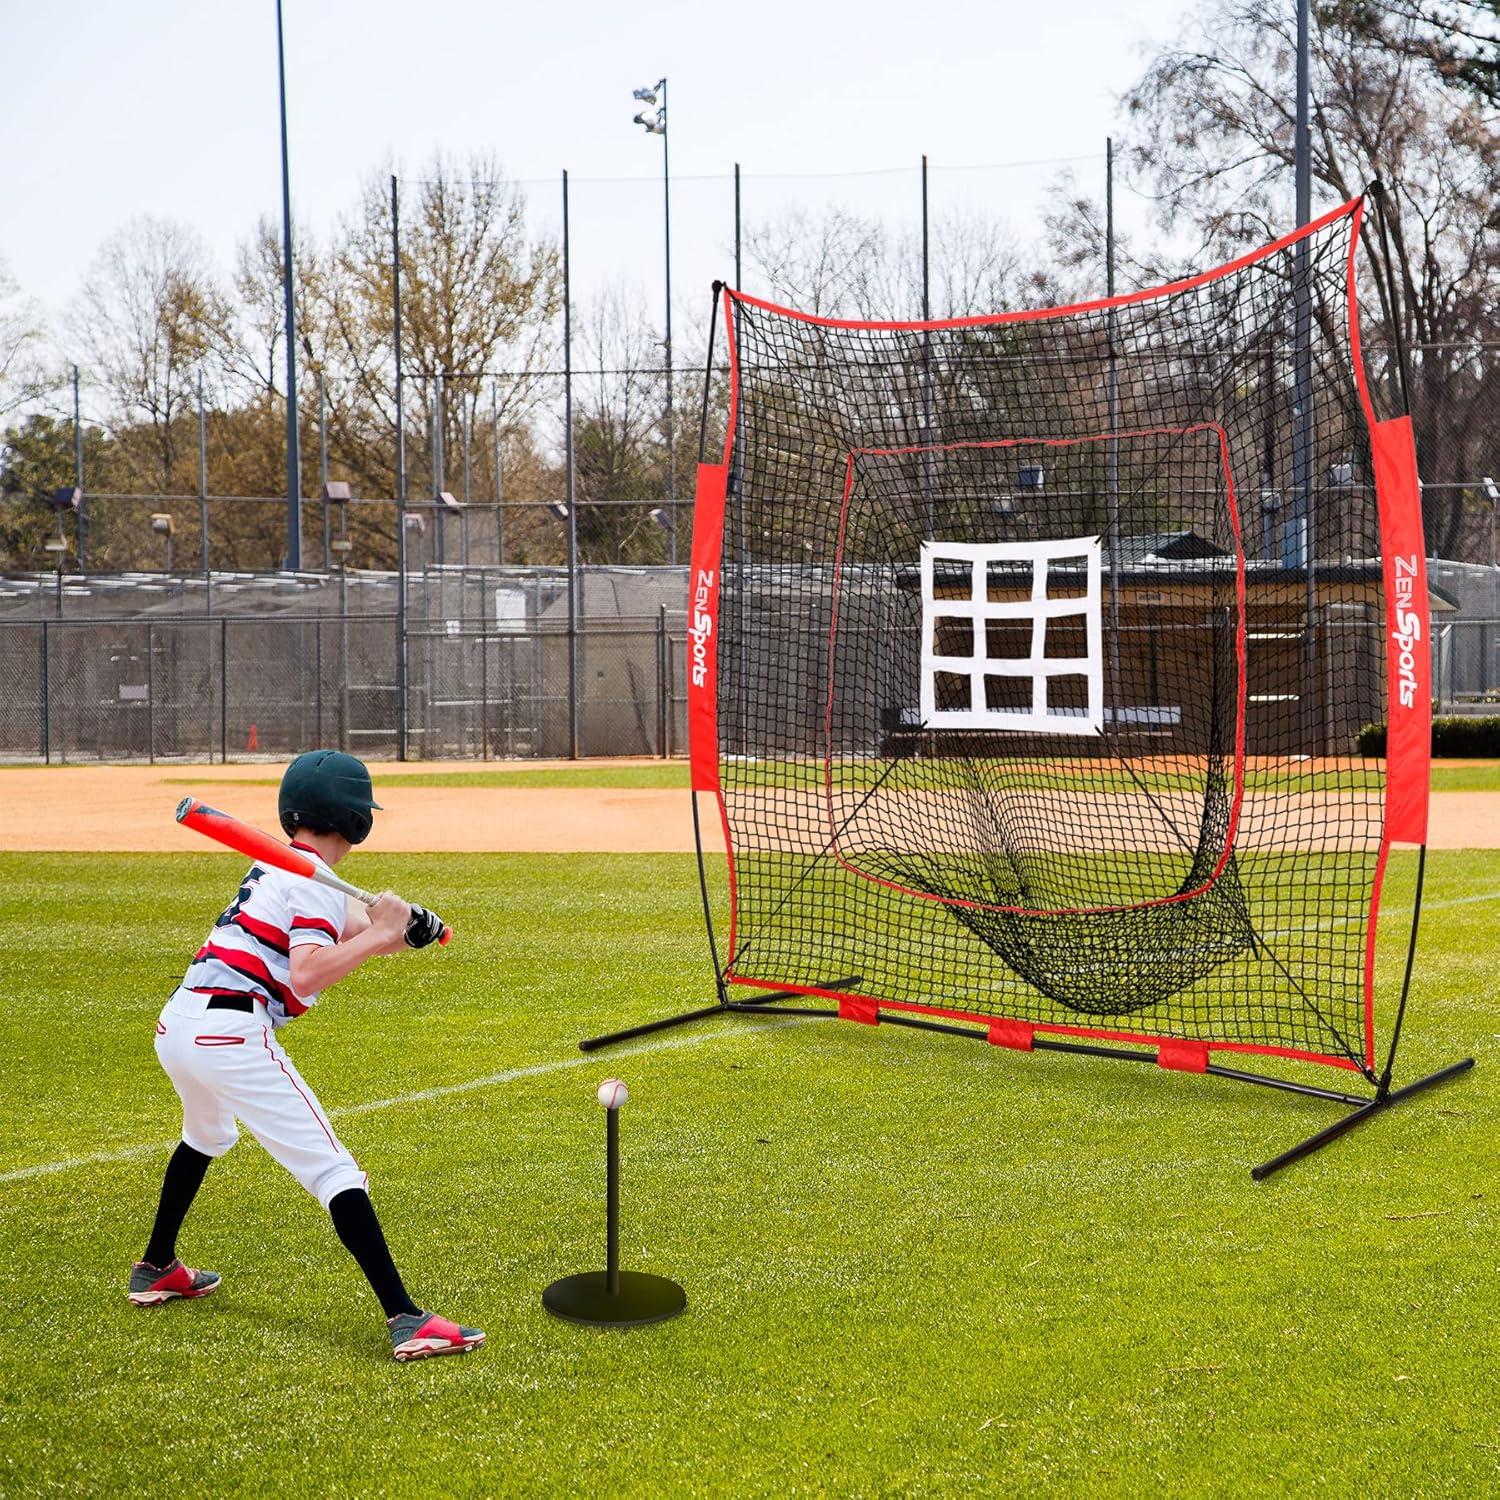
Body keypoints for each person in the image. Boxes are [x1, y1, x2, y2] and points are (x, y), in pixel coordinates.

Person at [129, 749, 484, 1364]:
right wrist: (382, 932)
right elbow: (310, 971)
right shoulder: (309, 880)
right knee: (334, 1170)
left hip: (179, 1026)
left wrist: (404, 930)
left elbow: (355, 932)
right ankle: (407, 1318)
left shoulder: (285, 871)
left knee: (206, 1135)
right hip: (231, 1035)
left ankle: (157, 1266)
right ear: (353, 818)